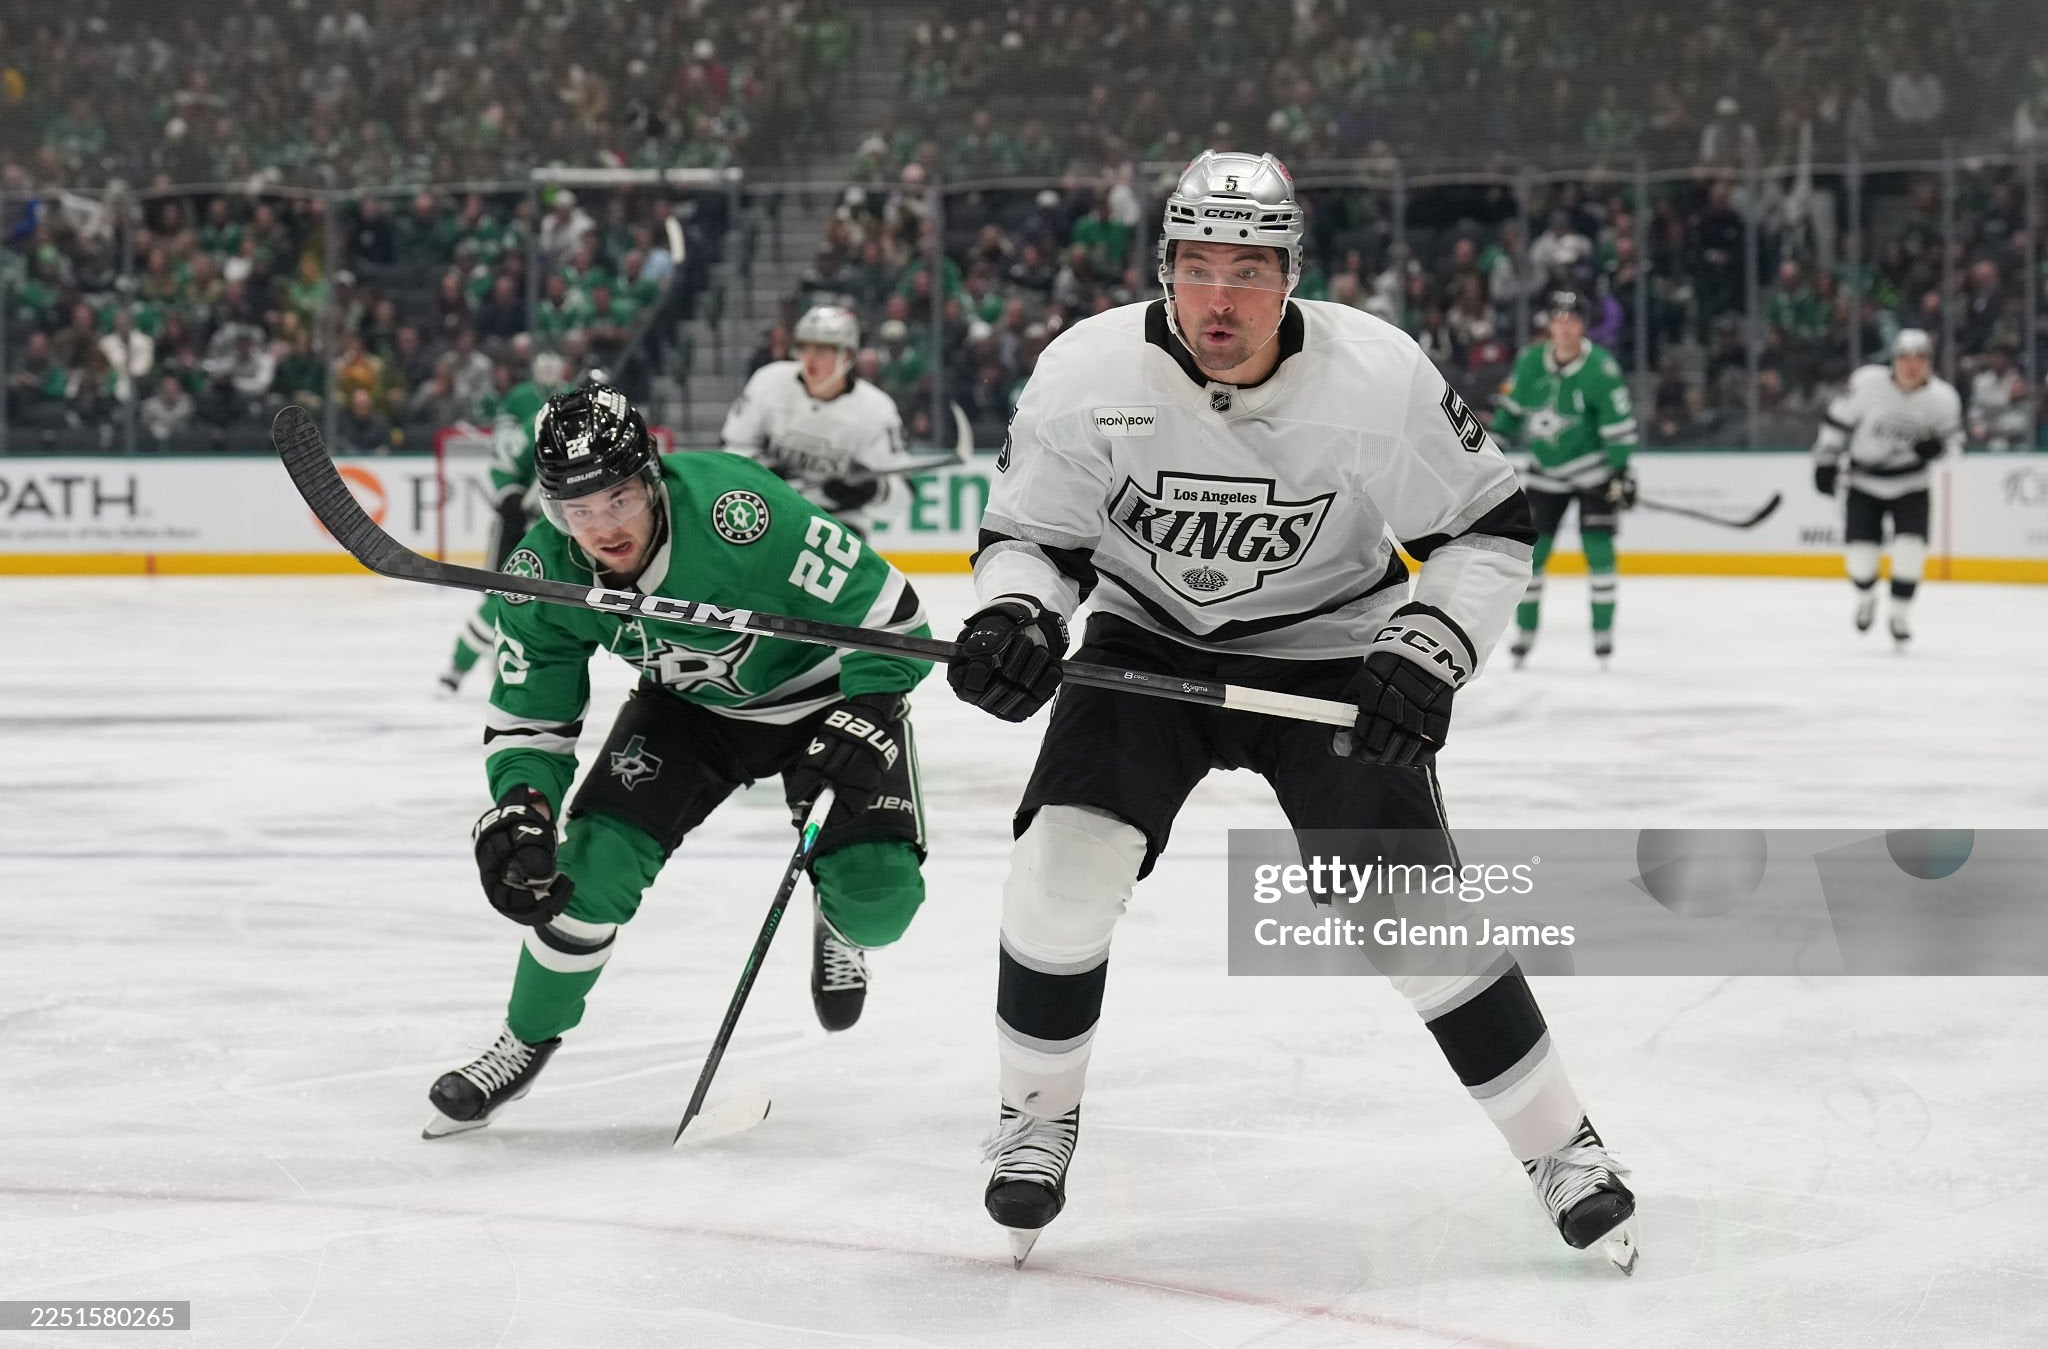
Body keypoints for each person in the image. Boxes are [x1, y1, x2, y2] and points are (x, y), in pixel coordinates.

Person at [945, 151, 1637, 1271]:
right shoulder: (1084, 372)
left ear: (1289, 276)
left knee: (1405, 909)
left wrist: (1429, 645)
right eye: (1198, 266)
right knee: (1060, 872)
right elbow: (1034, 537)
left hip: (1330, 648)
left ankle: (1562, 1147)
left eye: (1249, 270)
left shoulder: (1377, 374)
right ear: (1164, 268)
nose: (1221, 298)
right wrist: (1017, 616)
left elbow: (1488, 522)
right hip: (1143, 640)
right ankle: (1034, 1114)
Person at [425, 386, 935, 1138]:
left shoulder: (740, 512)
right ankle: (523, 1040)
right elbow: (532, 712)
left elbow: (893, 617)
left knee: (882, 902)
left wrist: (870, 706)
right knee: (584, 870)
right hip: (689, 714)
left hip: (823, 697)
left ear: (652, 478)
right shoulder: (541, 570)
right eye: (580, 509)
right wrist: (525, 803)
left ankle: (841, 921)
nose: (603, 526)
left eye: (619, 497)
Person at [1489, 290, 1639, 666]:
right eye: (1559, 319)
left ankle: (1603, 633)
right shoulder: (1529, 363)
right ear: (1550, 324)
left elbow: (1618, 429)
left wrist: (1622, 472)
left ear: (1583, 326)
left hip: (1594, 475)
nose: (1566, 327)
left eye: (1573, 320)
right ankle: (1525, 634)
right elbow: (1509, 413)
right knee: (1532, 558)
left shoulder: (1601, 368)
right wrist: (1489, 450)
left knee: (1599, 555)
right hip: (1546, 475)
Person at [1812, 328, 1962, 644]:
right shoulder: (1866, 384)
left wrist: (1940, 451)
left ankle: (1899, 615)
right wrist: (1825, 460)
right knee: (1861, 560)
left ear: (1929, 363)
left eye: (1920, 358)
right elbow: (1837, 423)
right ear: (1893, 359)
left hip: (1912, 484)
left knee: (1910, 552)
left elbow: (1955, 447)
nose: (1912, 365)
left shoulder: (1943, 399)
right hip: (1863, 483)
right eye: (1905, 358)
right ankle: (1866, 597)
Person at [439, 352, 574, 694]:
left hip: (556, 528)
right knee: (498, 596)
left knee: (542, 608)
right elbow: (503, 463)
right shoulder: (537, 422)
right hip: (518, 524)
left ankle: (511, 666)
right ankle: (459, 666)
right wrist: (512, 499)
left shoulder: (582, 426)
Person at [721, 305, 909, 537]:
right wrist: (766, 473)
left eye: (822, 350)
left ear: (847, 356)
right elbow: (732, 449)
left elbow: (899, 501)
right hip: (770, 512)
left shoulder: (877, 410)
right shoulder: (768, 382)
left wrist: (872, 491)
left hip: (839, 526)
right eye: (804, 347)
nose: (809, 358)